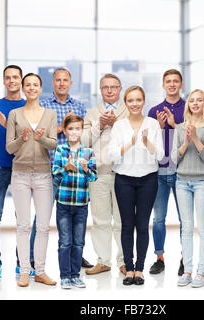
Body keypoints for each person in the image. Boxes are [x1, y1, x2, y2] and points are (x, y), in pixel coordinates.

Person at [0, 65, 35, 281]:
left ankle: (22, 263)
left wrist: (9, 125)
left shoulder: (27, 106)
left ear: (21, 80)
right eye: (8, 77)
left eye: (15, 77)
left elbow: (31, 138)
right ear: (3, 81)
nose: (12, 80)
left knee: (22, 218)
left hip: (22, 166)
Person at [108, 86, 164, 286]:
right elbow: (111, 155)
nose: (134, 104)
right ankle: (128, 268)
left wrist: (147, 141)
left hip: (148, 179)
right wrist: (131, 142)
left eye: (138, 100)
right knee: (126, 225)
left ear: (143, 101)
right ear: (125, 102)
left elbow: (160, 155)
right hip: (124, 179)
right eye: (130, 100)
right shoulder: (119, 126)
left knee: (142, 225)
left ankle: (139, 269)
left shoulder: (153, 124)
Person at [6, 73, 58, 287]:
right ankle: (24, 271)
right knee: (23, 225)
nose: (31, 88)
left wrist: (41, 138)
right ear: (23, 88)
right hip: (20, 175)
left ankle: (41, 271)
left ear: (40, 88)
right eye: (28, 85)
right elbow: (10, 147)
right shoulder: (14, 114)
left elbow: (53, 144)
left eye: (35, 85)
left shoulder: (50, 114)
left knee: (44, 226)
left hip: (44, 175)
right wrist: (22, 138)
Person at [39, 67, 93, 269]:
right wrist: (62, 126)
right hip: (52, 170)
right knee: (43, 218)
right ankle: (36, 259)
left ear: (71, 83)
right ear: (53, 83)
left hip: (76, 173)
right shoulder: (44, 106)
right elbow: (41, 137)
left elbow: (85, 137)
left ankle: (76, 257)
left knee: (76, 218)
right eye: (58, 80)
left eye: (65, 80)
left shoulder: (79, 106)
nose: (62, 83)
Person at [81, 74, 129, 276]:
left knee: (122, 221)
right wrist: (99, 125)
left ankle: (125, 261)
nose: (109, 91)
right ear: (100, 90)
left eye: (114, 87)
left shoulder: (129, 111)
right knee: (100, 220)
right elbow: (83, 142)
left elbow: (135, 138)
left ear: (120, 89)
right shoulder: (92, 113)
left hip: (123, 173)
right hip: (98, 174)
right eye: (105, 87)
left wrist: (117, 122)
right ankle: (103, 261)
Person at [171, 89, 204, 288]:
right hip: (182, 182)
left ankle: (201, 272)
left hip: (202, 183)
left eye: (200, 100)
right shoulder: (180, 128)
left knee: (203, 228)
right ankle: (188, 271)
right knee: (187, 229)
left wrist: (196, 139)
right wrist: (185, 142)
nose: (195, 103)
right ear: (188, 104)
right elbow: (174, 159)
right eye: (192, 100)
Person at [52, 114, 98, 289]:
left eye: (77, 128)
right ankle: (65, 276)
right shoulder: (60, 150)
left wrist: (86, 170)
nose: (74, 132)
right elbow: (54, 173)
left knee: (78, 241)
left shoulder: (88, 152)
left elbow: (94, 177)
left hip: (81, 205)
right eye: (70, 129)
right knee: (65, 241)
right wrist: (66, 168)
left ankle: (75, 275)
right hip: (63, 203)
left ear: (82, 130)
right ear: (65, 131)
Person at [147, 69, 185, 276]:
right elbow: (147, 144)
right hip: (159, 172)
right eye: (168, 81)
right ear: (163, 85)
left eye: (175, 81)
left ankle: (183, 258)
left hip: (181, 171)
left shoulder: (188, 108)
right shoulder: (153, 111)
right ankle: (159, 258)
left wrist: (173, 125)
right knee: (158, 218)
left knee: (184, 218)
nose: (171, 84)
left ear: (181, 85)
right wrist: (159, 128)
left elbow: (191, 135)